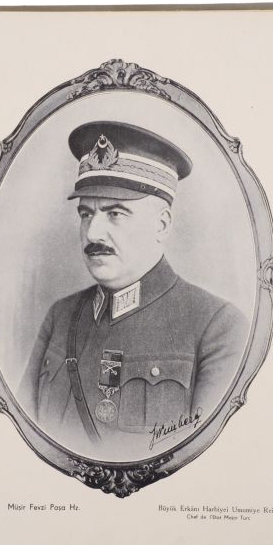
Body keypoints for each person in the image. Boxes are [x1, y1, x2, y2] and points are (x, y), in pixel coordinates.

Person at [18, 121, 249, 456]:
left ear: (162, 224)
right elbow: (23, 441)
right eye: (86, 214)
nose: (93, 233)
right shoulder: (61, 316)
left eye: (115, 213)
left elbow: (206, 462)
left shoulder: (218, 327)